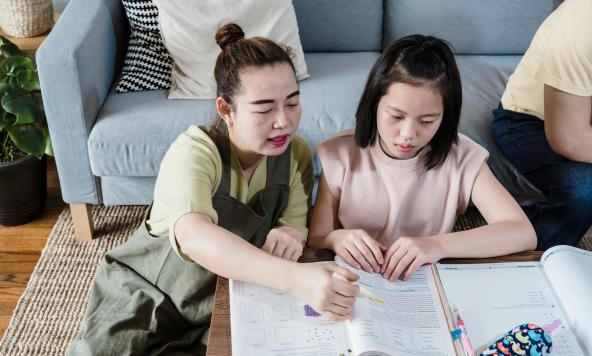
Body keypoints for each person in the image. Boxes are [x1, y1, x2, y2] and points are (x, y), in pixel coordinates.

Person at [69, 23, 360, 356]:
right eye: (265, 109)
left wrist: (292, 233)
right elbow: (195, 236)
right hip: (147, 296)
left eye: (292, 103)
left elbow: (295, 223)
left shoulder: (296, 154)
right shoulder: (195, 151)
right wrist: (295, 278)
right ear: (226, 109)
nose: (284, 121)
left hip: (224, 299)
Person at [308, 35, 537, 282]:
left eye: (427, 121)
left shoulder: (462, 157)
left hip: (426, 283)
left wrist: (437, 246)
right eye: (396, 116)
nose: (408, 135)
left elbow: (521, 232)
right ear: (374, 104)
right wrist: (336, 238)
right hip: (358, 282)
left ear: (445, 116)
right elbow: (318, 237)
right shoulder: (339, 153)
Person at [492, 0, 592, 250]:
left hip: (591, 126)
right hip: (530, 121)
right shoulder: (588, 13)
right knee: (586, 189)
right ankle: (526, 259)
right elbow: (569, 137)